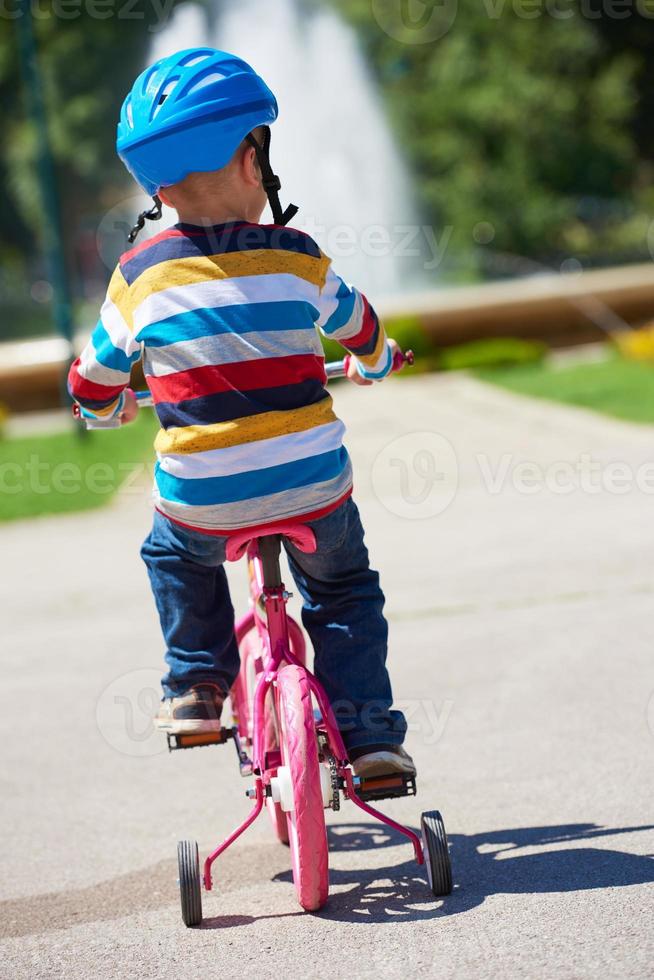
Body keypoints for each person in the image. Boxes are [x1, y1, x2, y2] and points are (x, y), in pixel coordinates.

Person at [68, 47, 415, 780]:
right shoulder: (300, 259)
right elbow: (366, 331)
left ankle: (196, 687)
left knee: (172, 554)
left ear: (156, 184)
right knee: (344, 588)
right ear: (252, 161)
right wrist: (374, 362)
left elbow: (93, 375)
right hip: (314, 488)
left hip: (203, 497)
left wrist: (102, 407)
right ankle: (370, 737)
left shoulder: (138, 276)